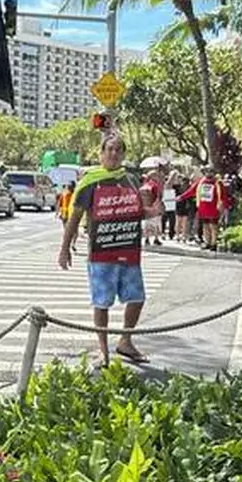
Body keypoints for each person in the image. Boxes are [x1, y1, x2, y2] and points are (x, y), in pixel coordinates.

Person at [58, 135, 162, 365]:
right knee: (102, 302)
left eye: (118, 150)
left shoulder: (131, 180)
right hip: (101, 253)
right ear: (101, 152)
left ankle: (126, 341)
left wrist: (152, 212)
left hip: (129, 251)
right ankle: (103, 350)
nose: (114, 154)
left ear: (123, 154)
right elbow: (74, 217)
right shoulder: (89, 182)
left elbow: (138, 211)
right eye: (110, 149)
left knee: (137, 298)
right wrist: (64, 249)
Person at [179, 167, 223, 251]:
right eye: (207, 171)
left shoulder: (218, 183)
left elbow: (222, 196)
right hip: (203, 208)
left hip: (214, 208)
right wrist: (181, 197)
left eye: (211, 171)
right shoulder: (200, 182)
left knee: (213, 226)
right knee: (205, 226)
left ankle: (214, 244)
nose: (209, 173)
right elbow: (191, 191)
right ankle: (208, 242)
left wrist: (222, 206)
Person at [141, 168, 164, 246]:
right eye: (157, 175)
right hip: (154, 206)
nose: (158, 177)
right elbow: (158, 196)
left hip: (146, 207)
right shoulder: (155, 185)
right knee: (156, 223)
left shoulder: (145, 185)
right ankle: (156, 239)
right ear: (153, 176)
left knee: (147, 223)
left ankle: (147, 239)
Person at [161, 170, 178, 240]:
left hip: (172, 206)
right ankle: (163, 233)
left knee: (172, 221)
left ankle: (171, 234)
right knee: (164, 220)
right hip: (166, 206)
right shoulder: (166, 185)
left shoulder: (175, 186)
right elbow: (170, 180)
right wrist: (174, 173)